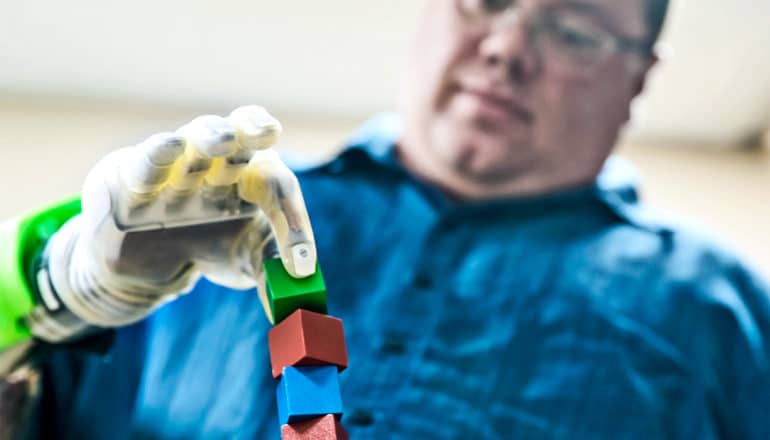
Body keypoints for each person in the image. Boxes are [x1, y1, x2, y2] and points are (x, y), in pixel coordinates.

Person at [1, 0, 769, 438]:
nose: (507, 47)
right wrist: (61, 295)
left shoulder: (723, 312)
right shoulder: (195, 207)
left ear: (639, 78)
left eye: (572, 28)